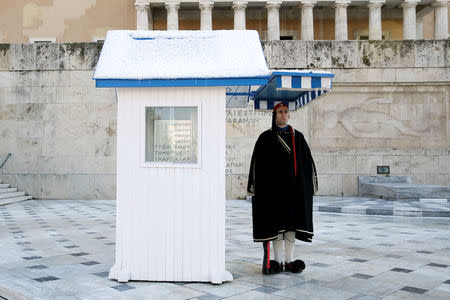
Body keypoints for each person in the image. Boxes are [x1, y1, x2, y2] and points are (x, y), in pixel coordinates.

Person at [247, 102, 318, 275]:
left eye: (286, 112)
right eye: (280, 112)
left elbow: (306, 164)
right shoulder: (265, 138)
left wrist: (307, 187)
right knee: (277, 227)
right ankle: (276, 261)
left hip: (294, 192)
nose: (283, 115)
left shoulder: (298, 137)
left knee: (291, 226)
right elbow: (258, 165)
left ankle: (290, 260)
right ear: (274, 114)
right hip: (274, 192)